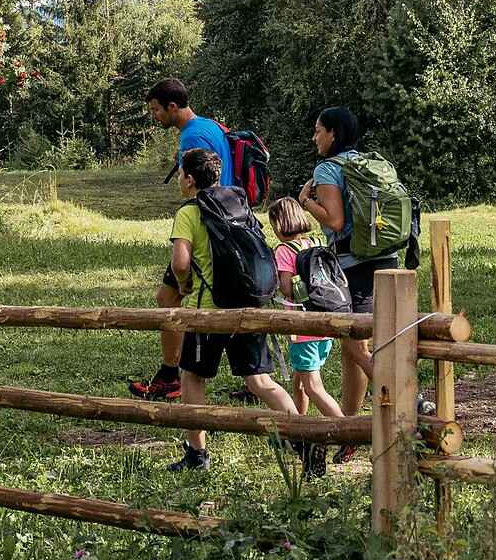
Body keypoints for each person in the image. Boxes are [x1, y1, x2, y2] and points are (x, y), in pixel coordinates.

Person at [165, 149, 298, 472]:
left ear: (190, 179)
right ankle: (302, 437)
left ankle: (197, 454)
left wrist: (183, 285)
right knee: (261, 382)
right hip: (247, 306)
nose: (180, 181)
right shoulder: (238, 204)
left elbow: (181, 262)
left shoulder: (190, 212)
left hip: (208, 312)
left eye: (181, 175)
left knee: (193, 378)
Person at [297, 106, 402, 451]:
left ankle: (406, 403)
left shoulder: (328, 169)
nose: (315, 137)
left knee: (355, 344)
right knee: (352, 347)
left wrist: (306, 201)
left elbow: (335, 221)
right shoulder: (366, 163)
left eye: (318, 131)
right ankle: (352, 428)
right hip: (386, 258)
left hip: (354, 265)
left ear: (333, 134)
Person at [129, 78, 233, 402]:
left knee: (168, 298)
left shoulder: (193, 135)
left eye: (156, 110)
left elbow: (197, 182)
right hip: (221, 220)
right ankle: (251, 373)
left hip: (205, 227)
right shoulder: (210, 126)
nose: (154, 116)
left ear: (172, 107)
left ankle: (170, 377)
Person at [268, 195, 343, 478]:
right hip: (322, 323)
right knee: (299, 385)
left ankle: (346, 430)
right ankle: (296, 428)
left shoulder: (284, 250)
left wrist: (276, 280)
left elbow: (287, 289)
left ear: (278, 223)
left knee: (313, 387)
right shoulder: (315, 244)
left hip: (302, 330)